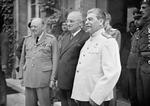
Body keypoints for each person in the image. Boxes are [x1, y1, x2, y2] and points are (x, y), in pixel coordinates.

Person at [71, 8, 121, 106]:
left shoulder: (108, 41)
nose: (86, 22)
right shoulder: (88, 41)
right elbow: (83, 70)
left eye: (90, 19)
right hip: (84, 96)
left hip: (95, 99)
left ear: (101, 21)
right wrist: (78, 94)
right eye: (86, 20)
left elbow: (112, 72)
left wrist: (97, 97)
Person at [19, 17, 58, 106]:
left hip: (43, 79)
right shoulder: (27, 39)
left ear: (43, 27)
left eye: (35, 26)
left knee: (45, 103)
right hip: (29, 76)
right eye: (31, 26)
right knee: (29, 104)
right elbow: (22, 58)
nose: (33, 29)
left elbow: (55, 60)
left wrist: (53, 78)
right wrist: (21, 75)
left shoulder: (51, 39)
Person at [56, 11, 89, 106]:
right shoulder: (66, 36)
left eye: (71, 21)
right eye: (67, 21)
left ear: (80, 24)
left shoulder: (85, 37)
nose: (68, 24)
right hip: (62, 79)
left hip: (74, 81)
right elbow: (61, 57)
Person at [136, 0, 150, 106]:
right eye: (141, 8)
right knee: (140, 97)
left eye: (144, 8)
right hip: (141, 63)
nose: (141, 10)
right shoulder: (144, 25)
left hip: (148, 64)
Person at [0, 32, 8, 106]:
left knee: (1, 82)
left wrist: (4, 64)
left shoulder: (2, 34)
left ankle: (2, 102)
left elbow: (4, 49)